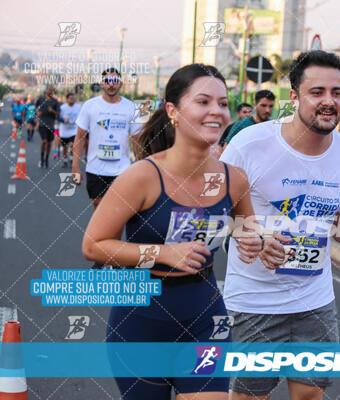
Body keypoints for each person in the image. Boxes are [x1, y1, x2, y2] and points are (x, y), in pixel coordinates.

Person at [82, 63, 262, 400]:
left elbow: (246, 230)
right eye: (204, 101)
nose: (217, 112)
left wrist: (258, 243)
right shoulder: (141, 177)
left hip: (206, 319)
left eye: (223, 104)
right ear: (173, 111)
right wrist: (163, 253)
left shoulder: (234, 178)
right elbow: (93, 245)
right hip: (140, 323)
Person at [220, 50, 340, 400]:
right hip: (255, 303)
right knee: (250, 397)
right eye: (317, 93)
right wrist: (250, 235)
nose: (329, 102)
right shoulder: (248, 145)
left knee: (310, 395)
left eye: (337, 93)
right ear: (295, 97)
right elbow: (213, 214)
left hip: (315, 303)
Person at [72, 68, 141, 210]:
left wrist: (141, 166)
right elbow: (80, 137)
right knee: (98, 204)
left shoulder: (131, 107)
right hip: (95, 168)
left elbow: (137, 139)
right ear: (101, 84)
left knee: (118, 209)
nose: (111, 85)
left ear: (120, 84)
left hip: (122, 169)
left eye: (115, 81)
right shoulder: (90, 106)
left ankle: (109, 232)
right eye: (107, 81)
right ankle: (101, 232)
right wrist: (75, 166)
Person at [36, 86, 60, 168]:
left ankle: (46, 159)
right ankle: (42, 159)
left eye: (51, 90)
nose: (50, 92)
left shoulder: (55, 102)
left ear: (53, 92)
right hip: (42, 124)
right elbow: (36, 107)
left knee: (49, 143)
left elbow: (58, 114)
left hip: (51, 125)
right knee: (44, 141)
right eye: (48, 90)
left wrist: (52, 111)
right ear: (46, 91)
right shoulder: (41, 99)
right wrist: (38, 112)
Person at [58, 93, 81, 167]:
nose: (72, 99)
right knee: (65, 146)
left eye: (73, 98)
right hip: (64, 130)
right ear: (67, 99)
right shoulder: (62, 107)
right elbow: (57, 117)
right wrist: (63, 120)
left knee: (73, 144)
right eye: (70, 98)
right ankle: (65, 160)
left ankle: (71, 158)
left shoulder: (78, 107)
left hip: (74, 129)